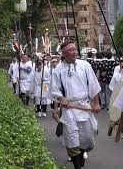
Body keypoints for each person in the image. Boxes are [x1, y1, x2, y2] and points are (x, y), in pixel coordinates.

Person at [51, 41, 101, 169]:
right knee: (72, 138)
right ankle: (76, 165)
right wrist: (62, 98)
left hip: (84, 106)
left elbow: (93, 85)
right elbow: (54, 89)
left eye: (75, 49)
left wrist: (96, 103)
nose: (75, 52)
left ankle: (82, 152)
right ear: (64, 54)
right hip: (69, 109)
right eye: (71, 50)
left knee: (88, 139)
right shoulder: (58, 70)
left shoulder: (85, 65)